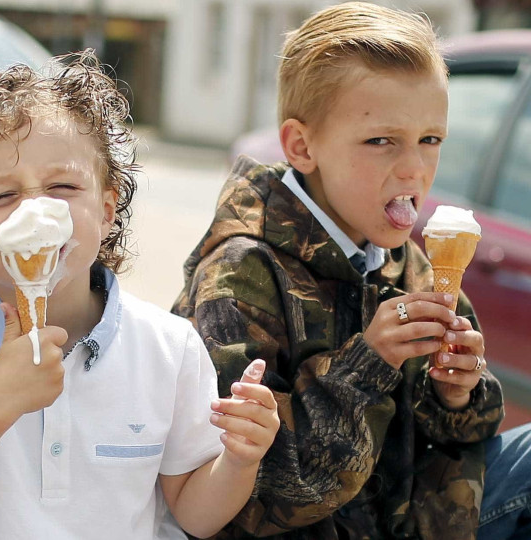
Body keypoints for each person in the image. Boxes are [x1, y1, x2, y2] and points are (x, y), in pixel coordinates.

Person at [0, 51, 280, 540]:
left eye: (62, 186)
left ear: (107, 211)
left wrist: (239, 459)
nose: (35, 211)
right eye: (1, 197)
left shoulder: (169, 348)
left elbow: (195, 513)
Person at [172, 2, 531, 539]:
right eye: (381, 140)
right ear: (302, 146)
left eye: (430, 139)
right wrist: (371, 363)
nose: (414, 167)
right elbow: (254, 499)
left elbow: (454, 446)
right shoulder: (242, 274)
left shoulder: (409, 262)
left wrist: (458, 394)